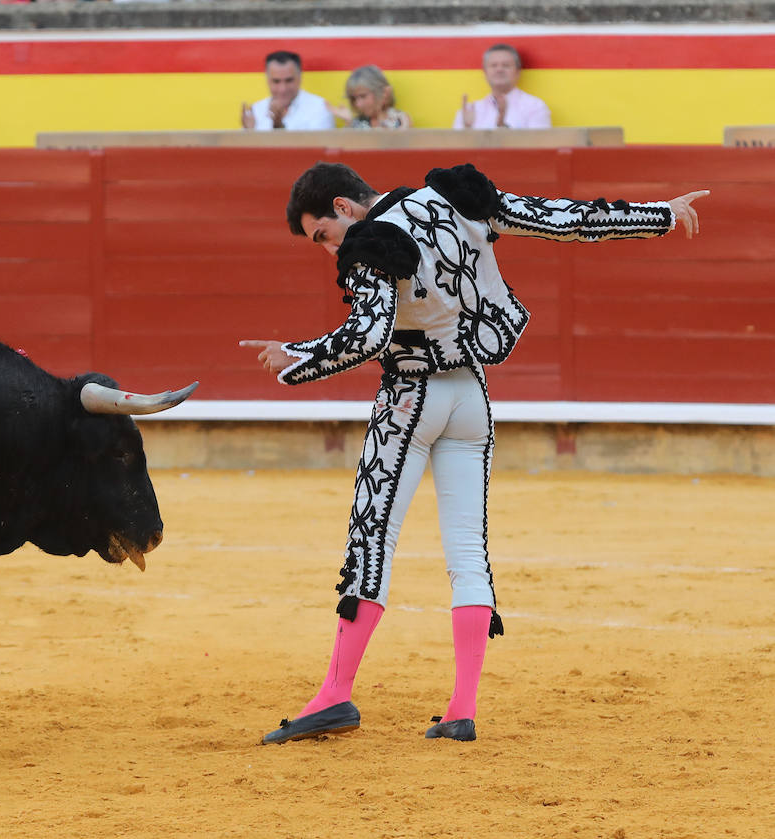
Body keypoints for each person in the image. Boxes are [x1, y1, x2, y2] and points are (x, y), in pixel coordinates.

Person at [241, 162, 707, 744]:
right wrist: (659, 214)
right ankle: (461, 708)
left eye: (322, 236)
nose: (327, 250)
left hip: (409, 399)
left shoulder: (370, 242)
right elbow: (555, 219)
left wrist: (296, 361)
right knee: (468, 550)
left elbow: (367, 336)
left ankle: (335, 694)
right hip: (472, 397)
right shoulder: (455, 197)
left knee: (371, 540)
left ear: (343, 206)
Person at [453, 43, 551, 130]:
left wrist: (503, 127)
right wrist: (467, 130)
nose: (499, 69)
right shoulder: (470, 110)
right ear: (485, 72)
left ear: (517, 71)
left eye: (506, 65)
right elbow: (455, 148)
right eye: (493, 65)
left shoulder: (535, 106)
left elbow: (539, 147)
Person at [240, 51, 335, 132]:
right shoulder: (256, 110)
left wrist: (279, 128)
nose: (282, 89)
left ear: (300, 78)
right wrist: (249, 134)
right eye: (276, 81)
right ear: (267, 80)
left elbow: (316, 150)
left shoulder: (320, 108)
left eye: (289, 80)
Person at [331, 65, 411, 130]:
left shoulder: (400, 119)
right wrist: (348, 122)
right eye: (354, 99)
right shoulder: (357, 122)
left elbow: (402, 145)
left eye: (363, 96)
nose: (358, 104)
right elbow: (347, 146)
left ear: (384, 93)